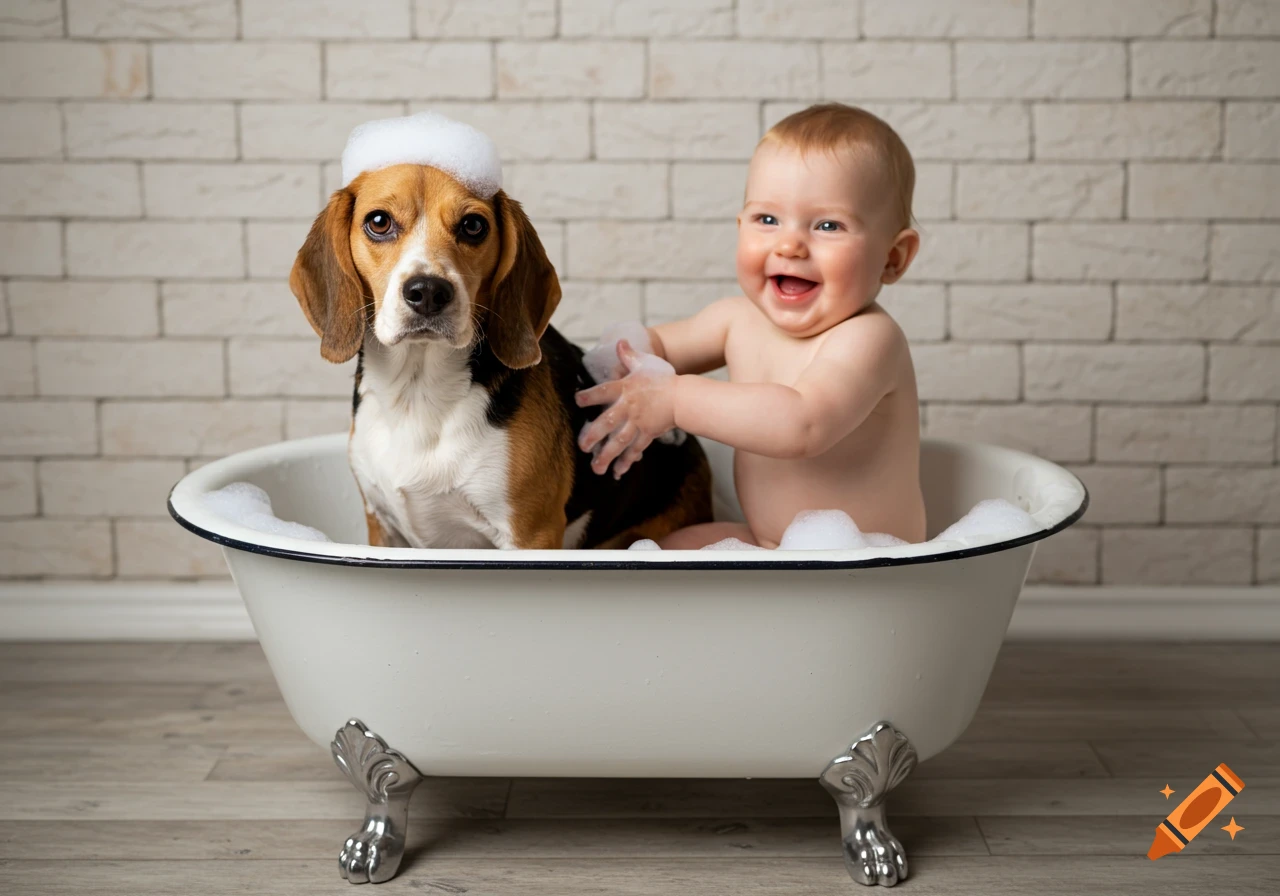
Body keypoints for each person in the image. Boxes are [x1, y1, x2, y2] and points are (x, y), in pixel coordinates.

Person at [574, 102, 927, 549]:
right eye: (767, 220)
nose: (790, 244)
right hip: (771, 543)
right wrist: (625, 355)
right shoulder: (736, 319)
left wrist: (676, 399)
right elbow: (660, 345)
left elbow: (803, 423)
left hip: (867, 565)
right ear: (740, 226)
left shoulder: (870, 338)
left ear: (892, 258)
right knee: (647, 555)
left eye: (827, 225)